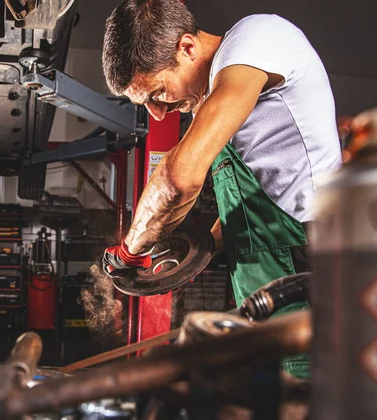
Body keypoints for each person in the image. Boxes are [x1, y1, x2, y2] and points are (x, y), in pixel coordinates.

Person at [100, 0, 342, 378]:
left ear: (187, 47)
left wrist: (128, 254)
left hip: (310, 288)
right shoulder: (217, 97)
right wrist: (204, 247)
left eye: (157, 93)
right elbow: (258, 200)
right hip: (268, 292)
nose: (158, 113)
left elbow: (177, 181)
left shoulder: (256, 39)